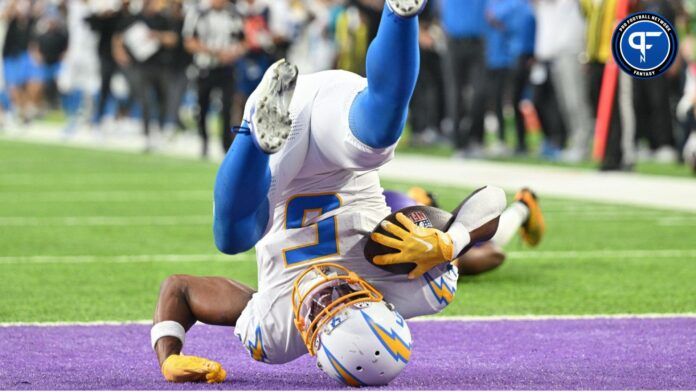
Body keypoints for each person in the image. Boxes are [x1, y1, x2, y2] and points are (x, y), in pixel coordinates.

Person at [150, 0, 508, 386]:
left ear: (313, 343)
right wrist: (451, 242)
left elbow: (180, 288)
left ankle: (254, 134)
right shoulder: (418, 290)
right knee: (375, 139)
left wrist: (168, 355)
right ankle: (400, 13)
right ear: (378, 302)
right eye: (348, 295)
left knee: (233, 236)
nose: (328, 289)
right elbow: (492, 198)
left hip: (275, 172)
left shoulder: (275, 333)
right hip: (339, 147)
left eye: (323, 309)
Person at [384, 187, 545, 275]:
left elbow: (495, 254)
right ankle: (428, 204)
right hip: (396, 208)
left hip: (408, 219)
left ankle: (523, 206)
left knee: (474, 238)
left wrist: (452, 254)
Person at [183, 0, 246, 157]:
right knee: (202, 106)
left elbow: (244, 41)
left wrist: (234, 53)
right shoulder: (198, 12)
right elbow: (189, 41)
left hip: (227, 68)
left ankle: (226, 147)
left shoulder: (234, 13)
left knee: (227, 107)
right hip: (205, 67)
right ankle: (203, 141)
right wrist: (214, 52)